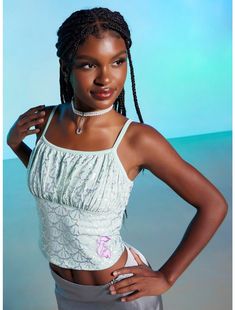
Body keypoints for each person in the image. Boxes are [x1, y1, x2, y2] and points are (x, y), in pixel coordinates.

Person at [7, 7, 228, 310]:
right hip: (64, 290)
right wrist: (16, 146)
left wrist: (167, 275)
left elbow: (214, 204)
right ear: (66, 67)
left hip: (120, 296)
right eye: (88, 65)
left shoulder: (137, 140)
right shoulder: (46, 122)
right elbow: (57, 185)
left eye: (118, 61)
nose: (106, 78)